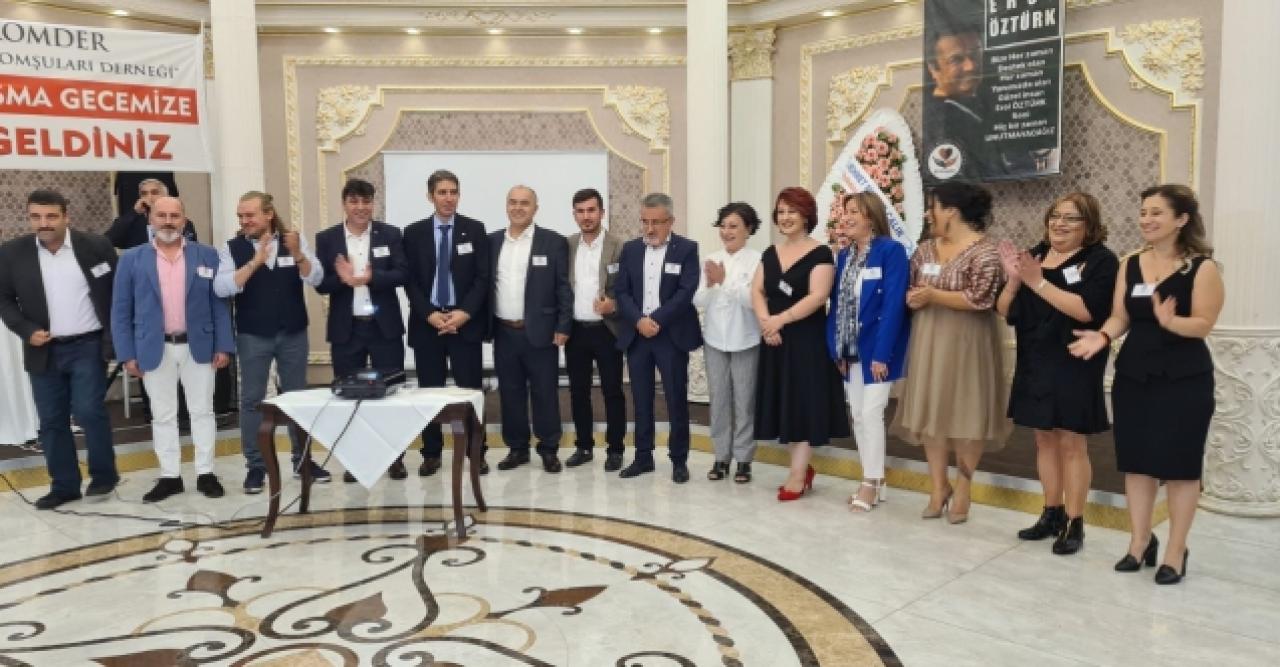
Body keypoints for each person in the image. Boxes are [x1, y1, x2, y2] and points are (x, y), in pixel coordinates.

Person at [1070, 184, 1223, 585]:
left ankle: (1176, 549)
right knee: (1136, 462)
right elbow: (1120, 315)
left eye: (1156, 212)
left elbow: (1204, 324)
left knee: (1180, 467)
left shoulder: (1202, 268)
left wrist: (1172, 322)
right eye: (1143, 212)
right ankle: (1140, 541)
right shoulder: (1131, 263)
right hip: (1135, 375)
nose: (1146, 220)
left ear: (1182, 219)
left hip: (1184, 378)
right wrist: (1102, 336)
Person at [996, 192, 1118, 554]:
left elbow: (1087, 310)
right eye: (1055, 216)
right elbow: (1004, 309)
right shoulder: (1035, 255)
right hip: (1035, 358)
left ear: (1089, 226)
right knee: (1043, 439)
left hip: (1075, 359)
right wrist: (1014, 280)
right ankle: (1051, 512)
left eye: (1071, 218)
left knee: (1071, 443)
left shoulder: (1100, 260)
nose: (1059, 224)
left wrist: (1037, 282)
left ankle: (1075, 522)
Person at [891, 181, 1010, 523]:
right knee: (932, 411)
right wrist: (913, 297)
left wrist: (932, 296)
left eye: (934, 207)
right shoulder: (925, 250)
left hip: (968, 342)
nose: (929, 214)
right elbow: (911, 287)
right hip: (928, 338)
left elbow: (981, 298)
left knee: (967, 412)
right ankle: (938, 487)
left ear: (952, 211)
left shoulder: (985, 252)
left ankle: (963, 488)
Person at [0, 189, 119, 509]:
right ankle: (64, 486)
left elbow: (115, 293)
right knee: (51, 420)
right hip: (43, 350)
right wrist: (26, 330)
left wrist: (116, 340)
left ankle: (104, 476)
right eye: (36, 217)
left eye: (51, 216)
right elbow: (4, 299)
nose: (44, 223)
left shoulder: (96, 246)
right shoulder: (12, 253)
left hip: (88, 345)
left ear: (66, 216)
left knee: (88, 411)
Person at [111, 196, 234, 503]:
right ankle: (170, 476)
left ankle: (205, 473)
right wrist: (127, 353)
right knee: (163, 415)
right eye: (161, 215)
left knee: (203, 411)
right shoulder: (131, 259)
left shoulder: (207, 255)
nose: (168, 221)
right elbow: (120, 310)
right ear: (150, 219)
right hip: (153, 348)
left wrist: (224, 344)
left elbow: (220, 305)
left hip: (199, 346)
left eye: (174, 216)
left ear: (184, 219)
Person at [214, 191, 329, 494]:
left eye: (249, 215)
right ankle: (256, 466)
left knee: (297, 397)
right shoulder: (232, 248)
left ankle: (302, 461)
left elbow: (317, 278)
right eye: (240, 216)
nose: (244, 221)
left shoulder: (293, 241)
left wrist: (299, 254)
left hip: (293, 332)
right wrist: (255, 262)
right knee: (252, 399)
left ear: (268, 214)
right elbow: (222, 287)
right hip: (253, 334)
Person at [754, 187, 850, 501]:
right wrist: (767, 323)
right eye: (781, 211)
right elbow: (757, 291)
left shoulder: (820, 253)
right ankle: (801, 468)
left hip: (807, 339)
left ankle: (797, 475)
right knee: (785, 402)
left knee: (803, 404)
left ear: (806, 215)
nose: (785, 217)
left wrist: (779, 320)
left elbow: (818, 296)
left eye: (792, 211)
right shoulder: (770, 252)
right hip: (774, 339)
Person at [315, 178, 410, 482]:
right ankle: (355, 461)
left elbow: (403, 273)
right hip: (347, 330)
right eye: (354, 201)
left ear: (373, 204)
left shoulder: (390, 234)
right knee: (349, 397)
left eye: (366, 201)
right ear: (344, 204)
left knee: (392, 396)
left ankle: (395, 458)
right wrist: (341, 280)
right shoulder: (327, 238)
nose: (360, 207)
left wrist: (372, 277)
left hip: (384, 328)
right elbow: (320, 284)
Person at [826, 192, 911, 512]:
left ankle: (870, 483)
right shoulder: (844, 256)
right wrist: (837, 350)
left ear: (872, 218)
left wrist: (881, 354)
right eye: (845, 211)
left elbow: (893, 306)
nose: (847, 217)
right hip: (851, 349)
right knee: (859, 416)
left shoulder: (891, 251)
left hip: (879, 349)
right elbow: (837, 306)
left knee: (872, 413)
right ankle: (874, 478)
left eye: (855, 212)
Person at [403, 171, 491, 477]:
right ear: (430, 196)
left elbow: (483, 278)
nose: (448, 198)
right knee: (429, 393)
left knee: (470, 392)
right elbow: (410, 280)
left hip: (464, 324)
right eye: (442, 192)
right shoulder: (413, 233)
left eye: (453, 192)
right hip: (427, 323)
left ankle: (476, 452)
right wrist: (429, 313)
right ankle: (431, 453)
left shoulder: (475, 229)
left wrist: (464, 313)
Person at [614, 192, 702, 483]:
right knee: (641, 399)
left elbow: (685, 292)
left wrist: (657, 320)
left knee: (676, 399)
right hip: (638, 336)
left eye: (656, 222)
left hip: (670, 336)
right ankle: (643, 457)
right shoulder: (630, 249)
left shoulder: (687, 249)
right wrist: (639, 320)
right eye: (645, 222)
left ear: (671, 221)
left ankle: (679, 460)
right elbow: (622, 291)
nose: (649, 228)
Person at [487, 185, 573, 472]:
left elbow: (563, 287)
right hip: (504, 332)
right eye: (513, 202)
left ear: (536, 208)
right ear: (506, 206)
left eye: (525, 203)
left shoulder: (553, 242)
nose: (518, 208)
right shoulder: (492, 241)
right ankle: (517, 448)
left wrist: (563, 325)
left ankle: (549, 448)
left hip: (541, 331)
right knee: (510, 392)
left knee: (545, 392)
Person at [694, 202, 762, 483]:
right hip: (714, 340)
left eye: (733, 226)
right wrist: (711, 285)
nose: (726, 232)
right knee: (719, 401)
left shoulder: (757, 260)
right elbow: (698, 300)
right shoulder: (710, 258)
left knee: (745, 402)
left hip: (746, 339)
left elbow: (753, 301)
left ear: (748, 229)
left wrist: (724, 281)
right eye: (723, 226)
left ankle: (744, 459)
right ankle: (721, 456)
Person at [564, 188, 627, 471]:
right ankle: (584, 446)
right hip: (576, 330)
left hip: (607, 330)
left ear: (602, 212)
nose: (586, 216)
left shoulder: (619, 246)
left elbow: (629, 289)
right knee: (578, 392)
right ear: (574, 214)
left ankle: (615, 449)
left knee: (612, 391)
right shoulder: (566, 245)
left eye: (591, 210)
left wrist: (613, 305)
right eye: (580, 211)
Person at [105, 178, 197, 249]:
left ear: (166, 196)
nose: (149, 197)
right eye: (144, 194)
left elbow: (191, 248)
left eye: (154, 192)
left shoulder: (179, 221)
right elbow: (108, 241)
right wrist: (134, 212)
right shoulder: (132, 221)